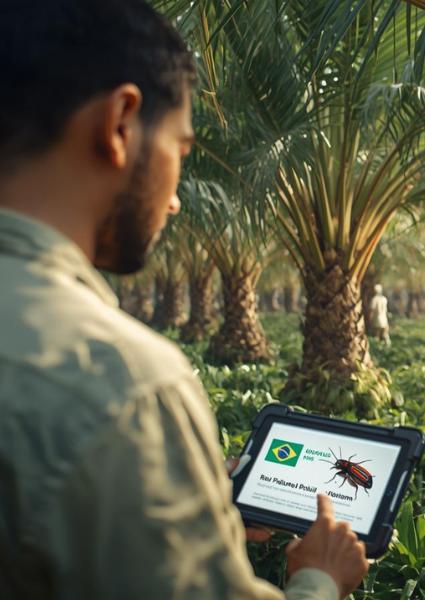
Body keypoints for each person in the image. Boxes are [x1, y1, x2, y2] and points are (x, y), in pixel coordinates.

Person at [0, 1, 367, 598]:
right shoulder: (124, 386)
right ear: (120, 124)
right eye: (182, 148)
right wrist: (320, 580)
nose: (174, 202)